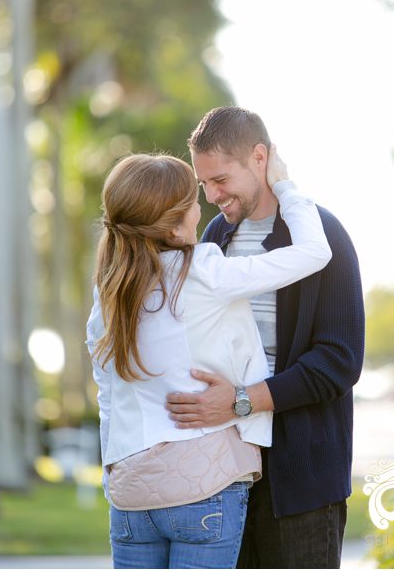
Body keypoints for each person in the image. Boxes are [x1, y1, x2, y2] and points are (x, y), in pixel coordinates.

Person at [87, 147, 331, 569]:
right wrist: (285, 186)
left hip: (129, 496)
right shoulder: (203, 270)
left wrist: (113, 467)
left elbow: (107, 394)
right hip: (204, 488)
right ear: (176, 220)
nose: (201, 209)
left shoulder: (109, 291)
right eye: (193, 200)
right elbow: (314, 252)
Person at [165, 107, 365, 568]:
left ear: (259, 157)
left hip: (302, 482)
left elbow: (339, 360)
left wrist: (240, 400)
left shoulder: (323, 235)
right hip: (223, 473)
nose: (213, 195)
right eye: (204, 184)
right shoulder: (214, 237)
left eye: (221, 179)